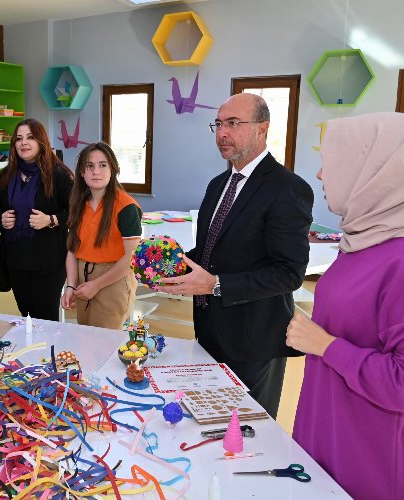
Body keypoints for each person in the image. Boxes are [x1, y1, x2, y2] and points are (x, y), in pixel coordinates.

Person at [158, 93, 313, 419]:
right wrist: (170, 266)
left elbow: (289, 273)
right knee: (209, 423)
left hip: (253, 341)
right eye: (218, 124)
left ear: (262, 128)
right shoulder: (217, 185)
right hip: (208, 332)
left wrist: (215, 285)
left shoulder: (287, 188)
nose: (222, 133)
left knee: (247, 430)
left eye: (232, 123)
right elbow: (208, 252)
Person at [288, 112, 404, 500]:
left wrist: (325, 345)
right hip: (327, 422)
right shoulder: (361, 239)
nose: (320, 174)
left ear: (372, 171)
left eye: (330, 162)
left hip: (367, 452)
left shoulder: (399, 259)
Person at [0, 119, 73, 321]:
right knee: (26, 317)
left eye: (30, 137)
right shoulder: (6, 176)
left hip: (48, 262)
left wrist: (51, 219)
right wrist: (1, 219)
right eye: (19, 138)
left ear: (41, 142)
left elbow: (77, 213)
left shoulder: (59, 175)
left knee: (46, 319)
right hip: (16, 260)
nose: (24, 143)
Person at [61, 142, 142, 329]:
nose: (96, 171)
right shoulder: (79, 203)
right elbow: (72, 250)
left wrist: (96, 285)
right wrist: (71, 285)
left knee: (104, 341)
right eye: (89, 166)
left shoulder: (126, 207)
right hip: (83, 279)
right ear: (82, 172)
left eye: (102, 165)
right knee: (85, 336)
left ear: (113, 169)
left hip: (113, 280)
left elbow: (132, 257)